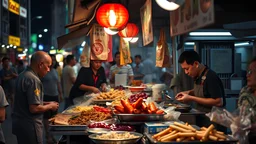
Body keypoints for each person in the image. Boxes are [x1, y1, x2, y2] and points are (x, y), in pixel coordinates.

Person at [12, 51, 59, 144]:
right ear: (41, 64)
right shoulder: (33, 79)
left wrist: (46, 103)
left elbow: (29, 101)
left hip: (20, 124)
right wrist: (51, 107)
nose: (49, 70)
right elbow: (34, 108)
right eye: (48, 66)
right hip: (30, 126)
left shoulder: (23, 75)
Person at [175, 51, 226, 130]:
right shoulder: (198, 76)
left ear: (195, 64)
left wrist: (191, 98)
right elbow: (205, 91)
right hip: (204, 120)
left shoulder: (210, 76)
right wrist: (189, 92)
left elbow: (218, 101)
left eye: (187, 69)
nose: (186, 72)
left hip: (214, 124)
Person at [41, 54, 63, 144]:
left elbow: (58, 83)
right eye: (51, 60)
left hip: (55, 95)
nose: (52, 62)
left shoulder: (55, 71)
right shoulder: (43, 71)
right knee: (46, 117)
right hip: (46, 96)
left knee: (54, 117)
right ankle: (48, 136)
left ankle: (52, 135)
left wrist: (60, 93)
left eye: (54, 60)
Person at [237, 57, 256, 144]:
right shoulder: (245, 92)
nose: (247, 75)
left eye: (250, 72)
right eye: (247, 71)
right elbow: (239, 113)